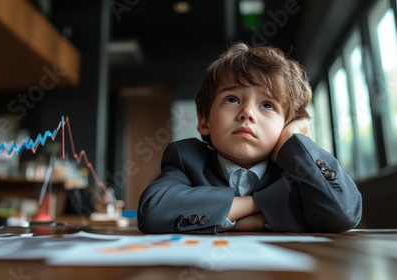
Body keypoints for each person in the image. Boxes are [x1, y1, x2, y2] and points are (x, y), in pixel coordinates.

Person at [137, 42, 362, 234]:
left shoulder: (299, 168)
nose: (247, 113)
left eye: (267, 105)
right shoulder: (186, 159)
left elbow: (343, 214)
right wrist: (259, 207)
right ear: (204, 120)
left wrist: (294, 140)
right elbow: (154, 211)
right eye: (232, 99)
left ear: (286, 125)